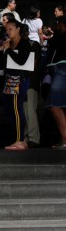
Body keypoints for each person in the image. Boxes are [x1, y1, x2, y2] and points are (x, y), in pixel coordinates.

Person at [0, 19, 33, 151]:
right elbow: (0, 65)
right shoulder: (8, 44)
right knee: (10, 110)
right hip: (9, 79)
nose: (8, 31)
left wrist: (8, 50)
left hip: (20, 79)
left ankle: (20, 140)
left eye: (10, 29)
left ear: (18, 29)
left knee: (17, 109)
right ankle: (17, 138)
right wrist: (1, 51)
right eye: (6, 29)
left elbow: (21, 61)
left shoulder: (24, 44)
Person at [46, 16, 66, 148]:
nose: (57, 25)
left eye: (58, 23)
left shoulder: (61, 36)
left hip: (62, 68)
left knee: (54, 104)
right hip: (59, 69)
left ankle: (65, 139)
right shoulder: (59, 36)